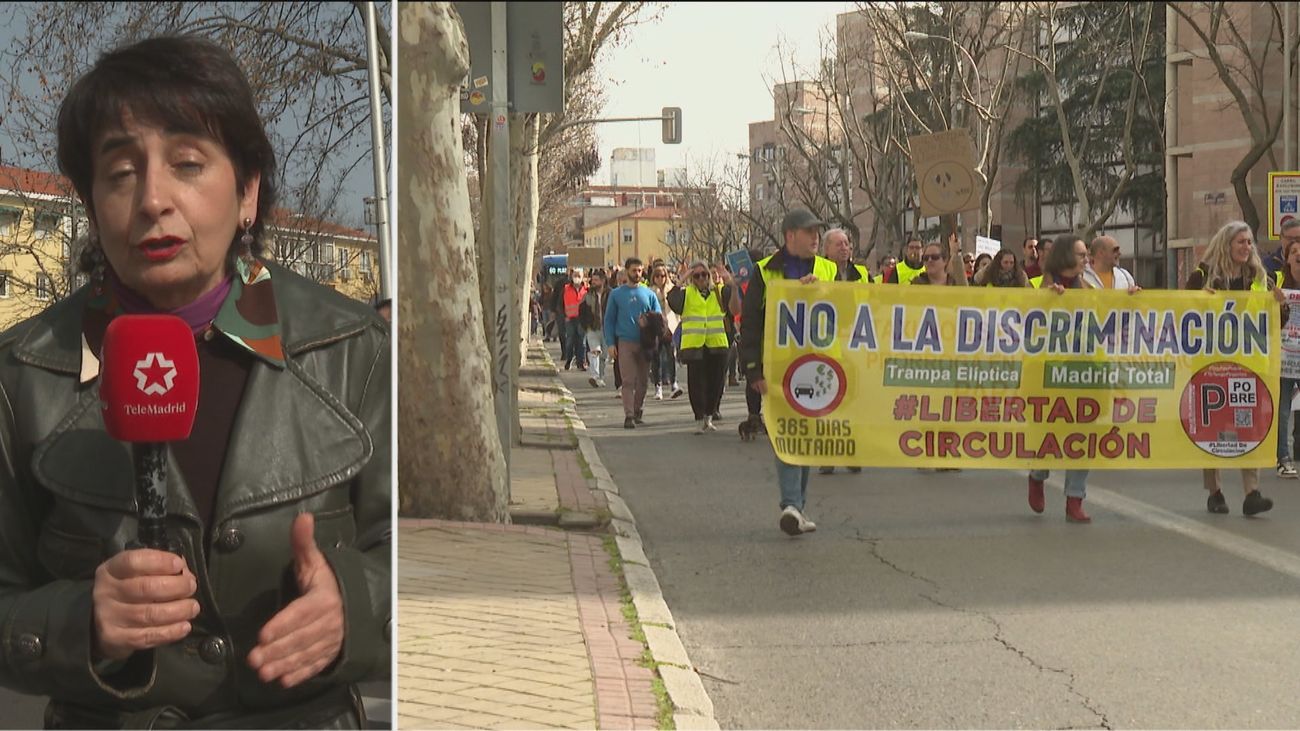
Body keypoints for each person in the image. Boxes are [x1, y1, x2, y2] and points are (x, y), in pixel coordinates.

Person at [0, 36, 391, 728]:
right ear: (91, 204)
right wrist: (77, 620)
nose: (153, 198)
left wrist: (352, 606)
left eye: (186, 163)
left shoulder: (353, 349)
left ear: (247, 192)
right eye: (120, 172)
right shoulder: (21, 374)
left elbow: (418, 554)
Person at [739, 209, 839, 536]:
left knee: (806, 438)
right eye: (809, 231)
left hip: (820, 368)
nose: (815, 238)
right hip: (779, 371)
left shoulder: (829, 269)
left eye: (817, 232)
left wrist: (821, 291)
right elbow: (751, 325)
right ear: (789, 235)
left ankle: (798, 506)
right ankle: (791, 504)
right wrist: (753, 370)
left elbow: (849, 310)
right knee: (787, 435)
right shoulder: (765, 273)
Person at [1187, 221, 1282, 516]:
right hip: (1211, 364)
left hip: (1248, 366)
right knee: (1212, 428)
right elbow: (1183, 312)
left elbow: (1277, 323)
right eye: (1240, 242)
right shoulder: (1203, 276)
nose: (1246, 247)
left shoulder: (1259, 278)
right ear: (1226, 244)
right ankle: (1215, 491)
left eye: (1249, 242)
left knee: (1248, 426)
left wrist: (1280, 305)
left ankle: (1252, 493)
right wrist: (1202, 301)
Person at [1026, 234, 1116, 523]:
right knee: (1048, 434)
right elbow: (1029, 327)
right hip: (1050, 374)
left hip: (1086, 372)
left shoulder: (1088, 287)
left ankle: (1074, 499)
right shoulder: (1042, 288)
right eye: (1080, 255)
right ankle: (1037, 476)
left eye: (1086, 254)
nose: (1086, 259)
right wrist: (1051, 302)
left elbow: (1105, 318)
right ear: (1065, 257)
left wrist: (1130, 300)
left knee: (1083, 436)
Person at [668, 261, 736, 433]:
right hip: (695, 345)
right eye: (696, 275)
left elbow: (734, 300)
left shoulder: (719, 291)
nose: (701, 279)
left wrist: (729, 280)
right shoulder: (687, 293)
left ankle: (709, 417)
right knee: (696, 384)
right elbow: (673, 302)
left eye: (704, 275)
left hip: (716, 343)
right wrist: (680, 280)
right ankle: (699, 417)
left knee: (716, 383)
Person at [820, 227, 865, 474]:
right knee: (829, 401)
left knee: (852, 401)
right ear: (826, 249)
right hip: (827, 345)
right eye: (838, 244)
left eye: (846, 243)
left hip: (855, 344)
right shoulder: (818, 272)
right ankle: (827, 454)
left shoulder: (861, 274)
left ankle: (850, 451)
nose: (844, 247)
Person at [605, 257, 662, 429]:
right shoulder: (616, 294)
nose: (637, 274)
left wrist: (649, 322)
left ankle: (637, 411)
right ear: (627, 271)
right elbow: (609, 321)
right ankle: (629, 415)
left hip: (645, 343)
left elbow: (659, 319)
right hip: (625, 343)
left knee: (643, 381)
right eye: (634, 271)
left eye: (639, 271)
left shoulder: (649, 294)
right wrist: (610, 343)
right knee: (628, 380)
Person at [1277, 237, 1300, 478]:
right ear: (1288, 259)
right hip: (1284, 359)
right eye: (1294, 251)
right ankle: (1283, 458)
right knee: (1283, 412)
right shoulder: (1279, 284)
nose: (1298, 255)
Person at [646, 262, 683, 400]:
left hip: (670, 326)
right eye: (657, 276)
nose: (660, 278)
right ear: (653, 278)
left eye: (662, 275)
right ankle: (658, 386)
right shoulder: (650, 291)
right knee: (656, 358)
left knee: (671, 356)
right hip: (656, 327)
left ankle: (674, 383)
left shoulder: (671, 289)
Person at [581, 270, 611, 388]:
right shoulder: (588, 295)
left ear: (603, 281)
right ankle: (594, 375)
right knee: (595, 351)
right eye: (592, 280)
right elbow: (582, 311)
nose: (593, 282)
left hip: (606, 328)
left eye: (596, 280)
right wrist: (585, 325)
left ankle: (600, 377)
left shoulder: (610, 294)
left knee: (603, 355)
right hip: (592, 328)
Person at [560, 267, 588, 371]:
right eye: (575, 275)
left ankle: (581, 362)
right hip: (570, 319)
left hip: (581, 319)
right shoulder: (566, 288)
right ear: (571, 277)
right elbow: (561, 304)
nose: (577, 278)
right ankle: (568, 360)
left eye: (579, 276)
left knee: (582, 342)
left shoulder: (586, 289)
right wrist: (564, 316)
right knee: (570, 341)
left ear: (582, 277)